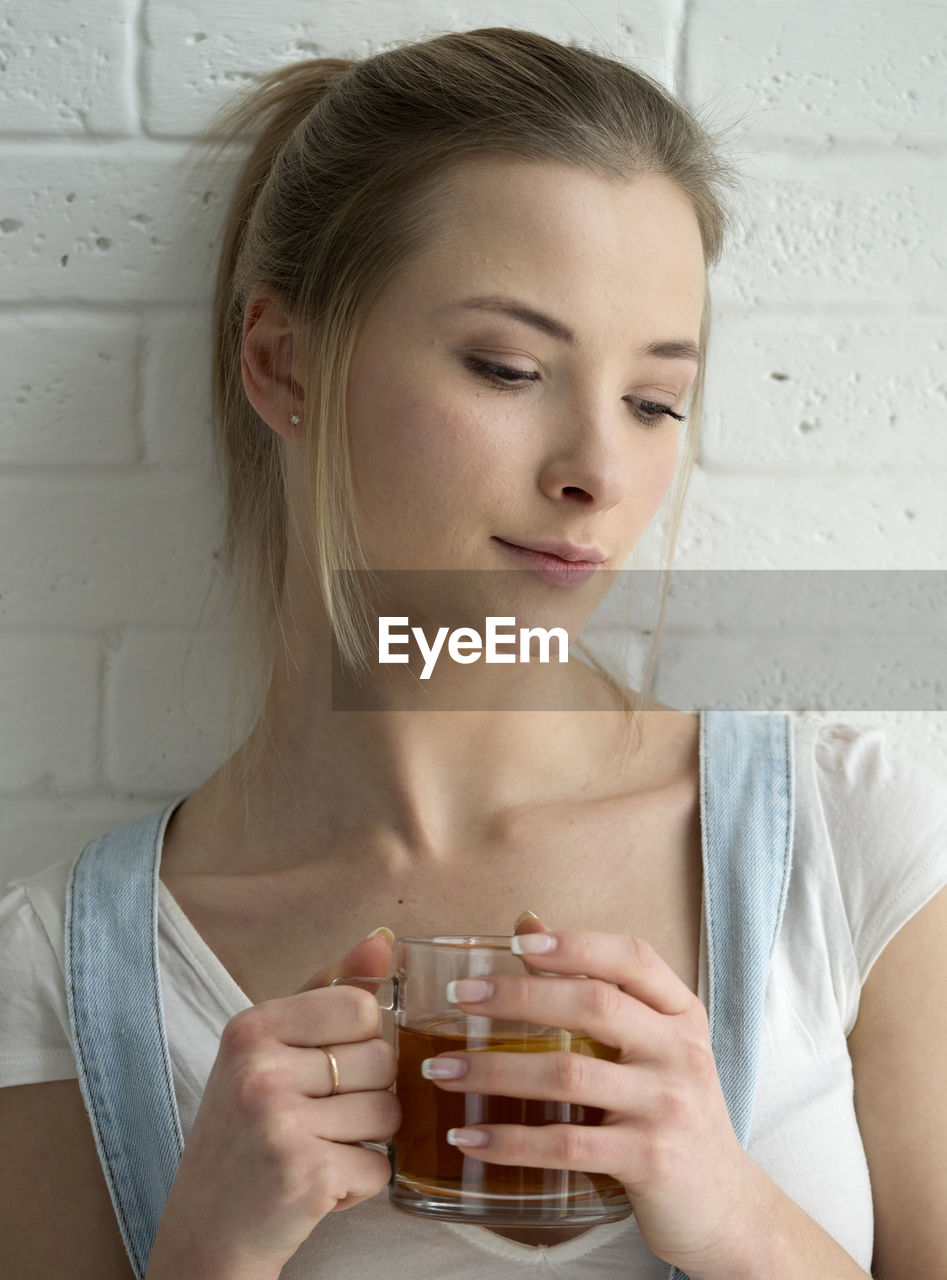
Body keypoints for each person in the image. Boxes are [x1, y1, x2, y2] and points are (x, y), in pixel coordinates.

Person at [1, 26, 945, 1280]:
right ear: (281, 359)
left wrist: (736, 1215)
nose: (597, 473)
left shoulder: (850, 828)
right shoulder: (64, 974)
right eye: (507, 368)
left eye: (654, 400)